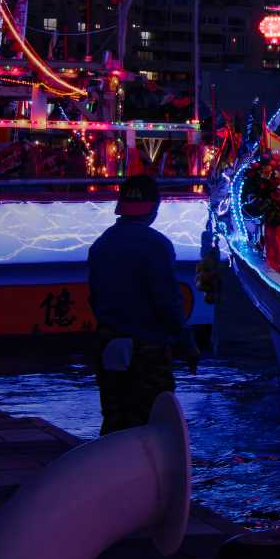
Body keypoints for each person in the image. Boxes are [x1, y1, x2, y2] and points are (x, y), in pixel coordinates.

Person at [87, 175, 196, 433]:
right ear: (154, 210)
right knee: (151, 423)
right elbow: (166, 302)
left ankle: (112, 471)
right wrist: (185, 342)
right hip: (147, 350)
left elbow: (94, 298)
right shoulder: (157, 245)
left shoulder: (101, 244)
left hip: (109, 343)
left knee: (114, 421)